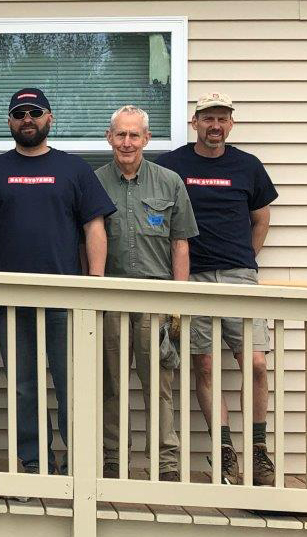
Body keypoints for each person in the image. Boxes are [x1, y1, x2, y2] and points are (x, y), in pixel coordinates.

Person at [0, 87, 115, 474]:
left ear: (49, 118)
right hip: (10, 298)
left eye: (35, 113)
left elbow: (95, 227)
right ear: (9, 121)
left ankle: (80, 465)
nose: (27, 119)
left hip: (66, 296)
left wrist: (94, 283)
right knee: (23, 387)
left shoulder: (74, 170)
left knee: (72, 384)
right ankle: (35, 462)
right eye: (19, 113)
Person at [155, 92, 278, 486]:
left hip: (240, 276)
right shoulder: (174, 164)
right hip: (193, 278)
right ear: (195, 123)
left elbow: (261, 219)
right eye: (208, 119)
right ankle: (223, 452)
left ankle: (259, 451)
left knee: (256, 365)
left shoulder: (247, 166)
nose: (215, 126)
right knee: (204, 366)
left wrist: (245, 260)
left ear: (231, 124)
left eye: (222, 119)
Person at [95, 105, 198, 481]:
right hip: (110, 301)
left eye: (134, 135)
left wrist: (177, 302)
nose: (126, 142)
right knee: (111, 387)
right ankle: (114, 461)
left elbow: (181, 245)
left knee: (160, 388)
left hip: (156, 301)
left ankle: (166, 466)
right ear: (109, 137)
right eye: (120, 134)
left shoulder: (170, 182)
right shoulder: (94, 182)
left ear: (146, 139)